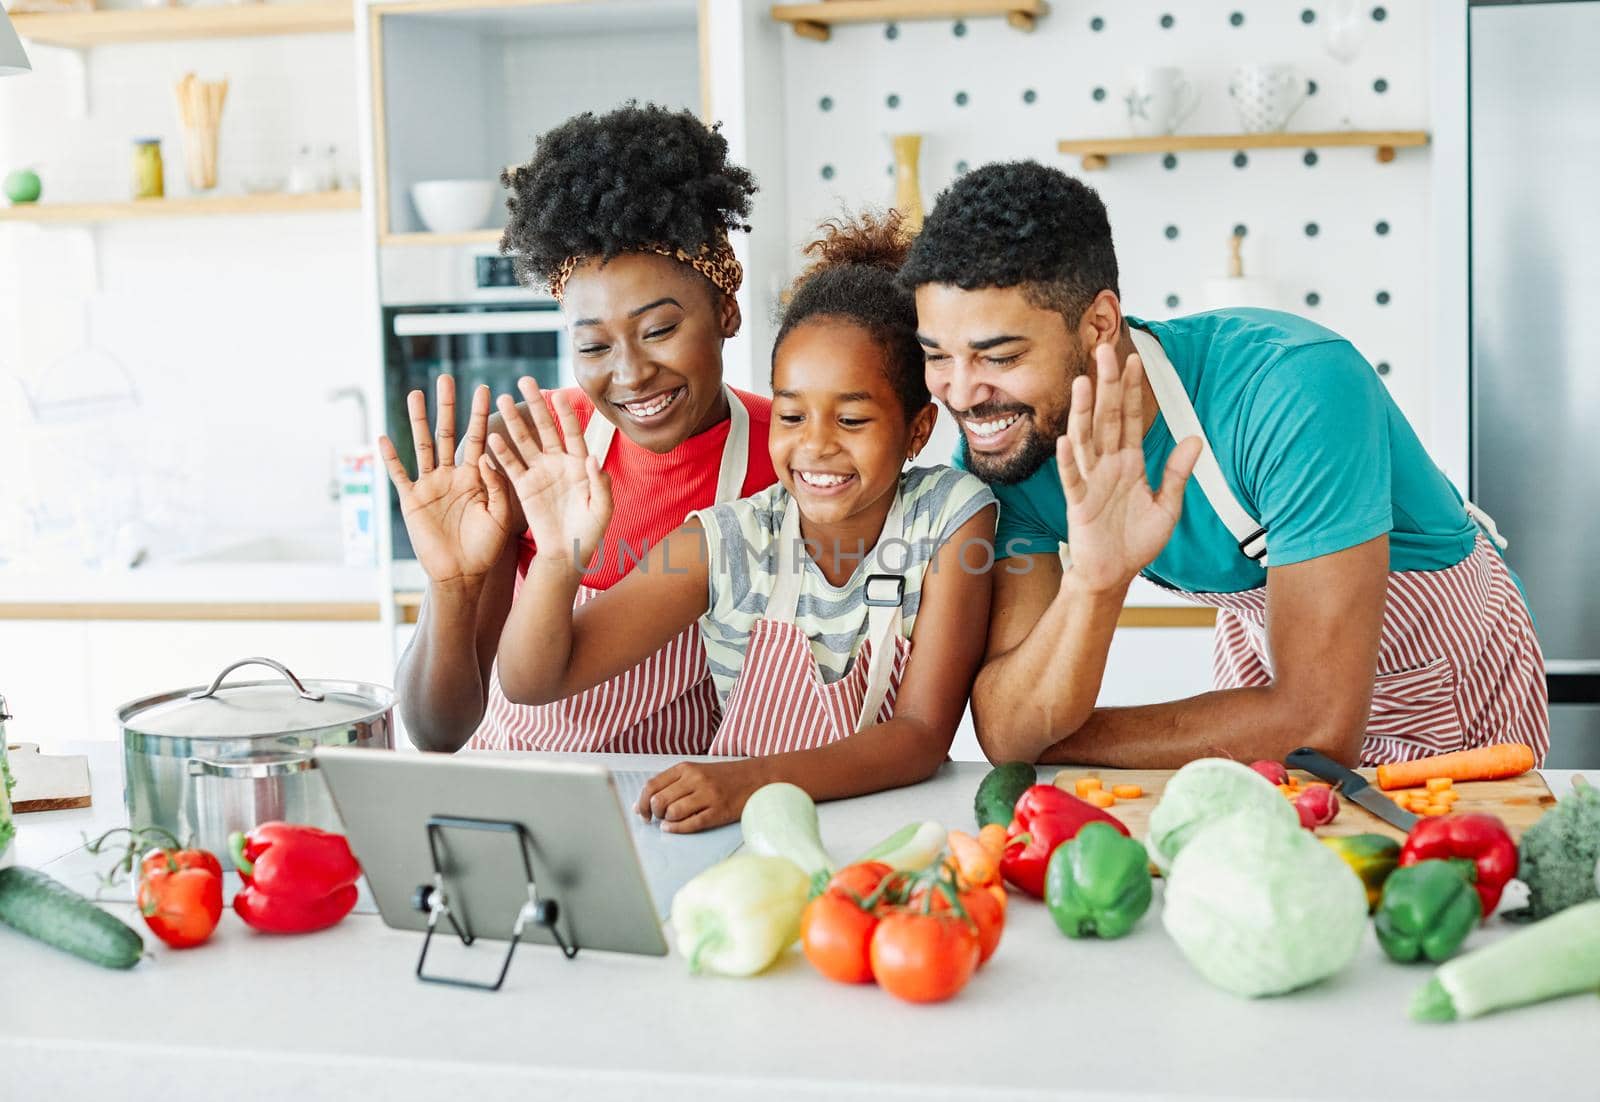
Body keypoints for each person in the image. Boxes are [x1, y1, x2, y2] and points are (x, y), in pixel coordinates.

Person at [902, 161, 1549, 768]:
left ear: (1099, 323)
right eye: (938, 356)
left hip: (1440, 678)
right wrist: (1093, 583)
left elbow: (1320, 727)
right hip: (1268, 675)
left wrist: (1064, 734)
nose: (960, 394)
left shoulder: (1295, 388)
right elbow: (1012, 730)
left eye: (999, 356)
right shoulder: (1011, 447)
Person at [487, 213, 997, 832]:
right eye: (791, 416)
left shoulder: (948, 517)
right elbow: (534, 680)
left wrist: (748, 782)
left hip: (886, 829)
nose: (815, 447)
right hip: (738, 834)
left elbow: (920, 734)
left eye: (853, 421)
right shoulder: (727, 540)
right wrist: (560, 557)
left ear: (918, 429)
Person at [382, 104, 776, 754]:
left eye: (659, 331)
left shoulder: (786, 454)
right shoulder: (536, 449)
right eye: (594, 346)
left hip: (674, 819)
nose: (631, 374)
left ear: (725, 312)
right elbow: (436, 729)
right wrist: (451, 585)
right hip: (512, 798)